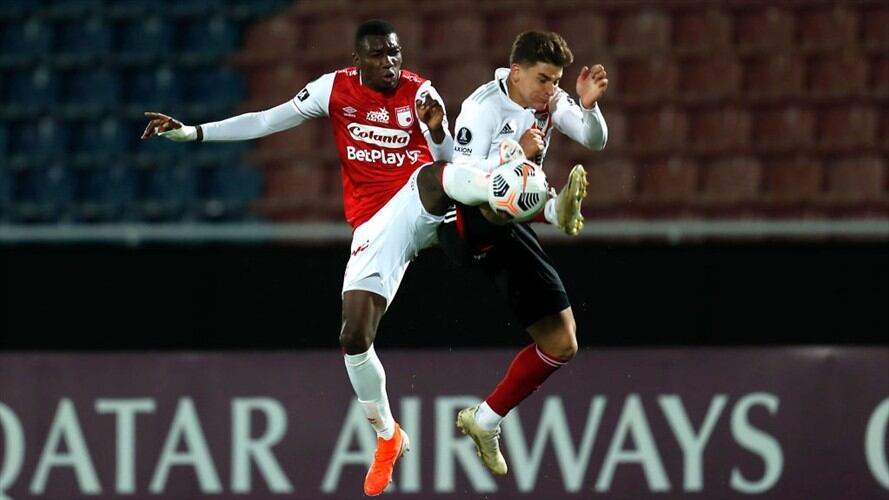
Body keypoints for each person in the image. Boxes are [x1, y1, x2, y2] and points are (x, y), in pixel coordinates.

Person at [140, 19, 525, 496]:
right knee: (353, 337)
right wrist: (193, 133)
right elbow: (267, 120)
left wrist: (437, 129)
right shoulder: (333, 89)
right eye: (378, 55)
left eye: (395, 52)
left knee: (436, 178)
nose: (389, 62)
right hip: (376, 226)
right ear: (357, 60)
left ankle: (521, 196)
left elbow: (448, 157)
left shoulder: (420, 92)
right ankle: (387, 434)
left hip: (420, 200)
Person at [440, 30, 609, 476]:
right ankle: (553, 210)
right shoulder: (482, 108)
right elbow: (460, 179)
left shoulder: (550, 101)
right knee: (512, 183)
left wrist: (588, 107)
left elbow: (594, 141)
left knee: (562, 343)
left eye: (556, 81)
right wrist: (514, 158)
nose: (550, 90)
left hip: (509, 225)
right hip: (465, 224)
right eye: (543, 79)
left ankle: (485, 420)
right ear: (516, 72)